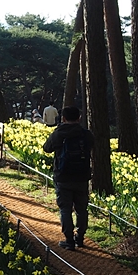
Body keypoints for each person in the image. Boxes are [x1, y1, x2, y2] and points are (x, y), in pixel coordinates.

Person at [42, 105, 94, 250]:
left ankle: (69, 240)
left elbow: (46, 148)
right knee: (81, 209)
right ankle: (80, 237)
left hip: (63, 177)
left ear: (63, 118)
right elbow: (92, 145)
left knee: (65, 209)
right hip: (82, 177)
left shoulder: (59, 134)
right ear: (79, 118)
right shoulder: (86, 134)